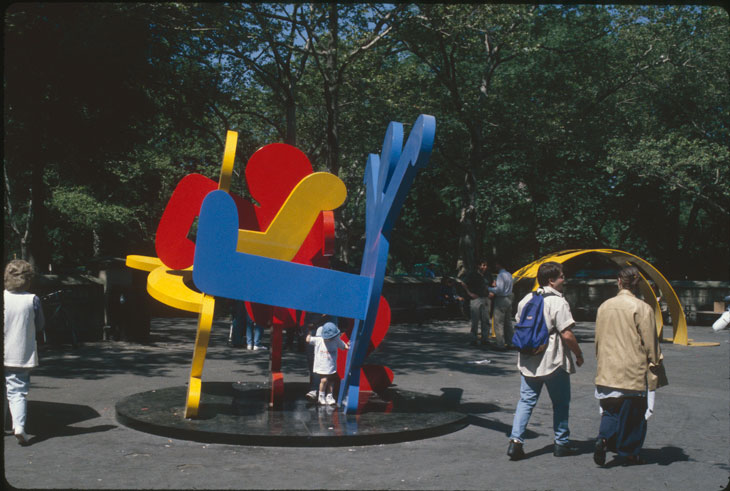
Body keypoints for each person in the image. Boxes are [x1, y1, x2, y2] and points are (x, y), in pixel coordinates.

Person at [507, 261, 584, 460]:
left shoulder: (527, 299)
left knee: (525, 401)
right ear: (552, 280)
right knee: (560, 403)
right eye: (562, 276)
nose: (564, 279)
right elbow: (566, 334)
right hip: (553, 360)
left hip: (528, 360)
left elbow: (519, 322)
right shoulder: (558, 302)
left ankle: (516, 441)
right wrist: (578, 354)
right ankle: (561, 443)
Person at [593, 266, 665, 466]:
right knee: (634, 413)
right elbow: (650, 341)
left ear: (619, 281)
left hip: (608, 367)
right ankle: (630, 452)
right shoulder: (643, 308)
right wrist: (655, 362)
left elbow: (598, 339)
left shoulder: (604, 306)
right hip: (633, 368)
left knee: (610, 410)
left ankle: (603, 438)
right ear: (637, 284)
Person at [4, 259, 45, 446]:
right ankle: (19, 427)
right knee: (17, 392)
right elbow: (40, 325)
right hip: (19, 354)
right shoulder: (32, 299)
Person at [306, 322, 349, 406]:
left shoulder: (336, 340)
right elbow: (308, 339)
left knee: (331, 381)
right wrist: (309, 331)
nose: (329, 339)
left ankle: (329, 396)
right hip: (322, 366)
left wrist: (348, 346)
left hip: (331, 366)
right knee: (324, 380)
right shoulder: (319, 340)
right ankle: (321, 396)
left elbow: (343, 346)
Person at [459, 259, 492, 346]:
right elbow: (463, 283)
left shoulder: (487, 275)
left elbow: (492, 284)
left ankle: (485, 339)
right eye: (483, 265)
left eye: (485, 265)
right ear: (478, 266)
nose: (484, 267)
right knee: (475, 320)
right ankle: (473, 339)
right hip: (476, 299)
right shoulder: (473, 274)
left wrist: (491, 292)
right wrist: (469, 293)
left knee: (486, 320)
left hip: (485, 298)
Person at [488, 258, 514, 350]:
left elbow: (499, 290)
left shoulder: (501, 275)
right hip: (509, 298)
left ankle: (500, 344)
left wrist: (489, 288)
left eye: (496, 264)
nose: (495, 266)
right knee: (508, 322)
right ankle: (510, 342)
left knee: (498, 322)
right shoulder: (509, 274)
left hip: (501, 299)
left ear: (499, 265)